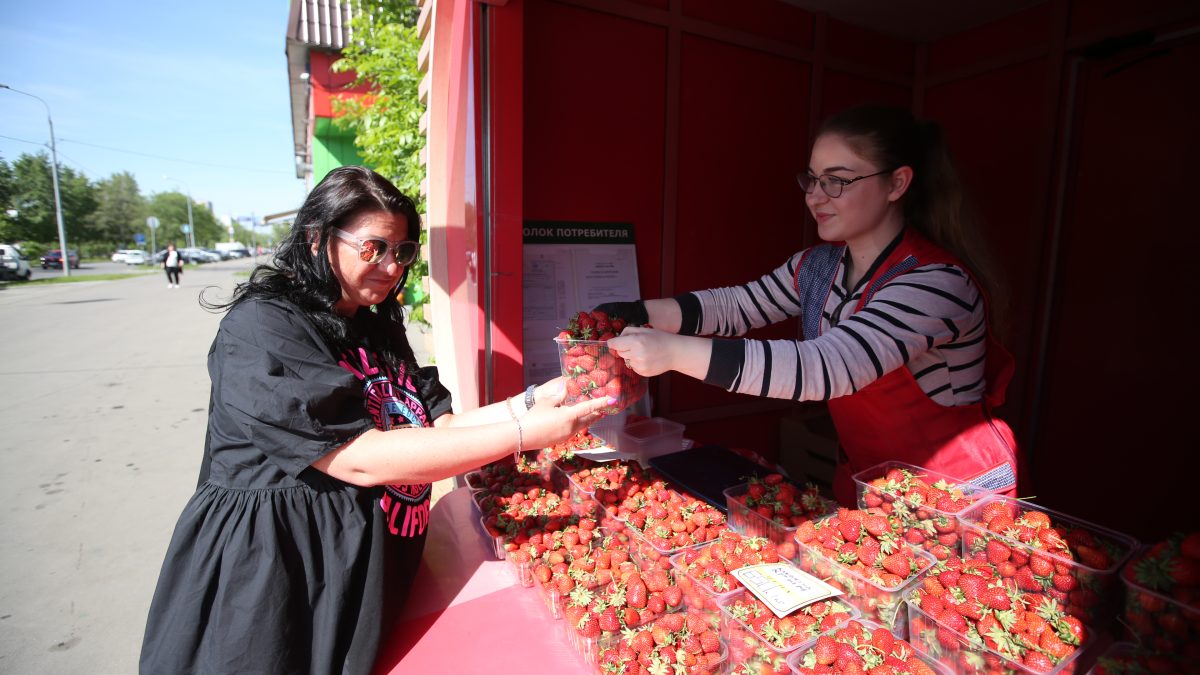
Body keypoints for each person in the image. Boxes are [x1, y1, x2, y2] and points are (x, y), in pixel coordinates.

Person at [140, 166, 611, 674]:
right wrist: (525, 435)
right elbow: (359, 459)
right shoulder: (264, 327)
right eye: (374, 248)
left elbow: (440, 428)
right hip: (279, 580)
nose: (390, 266)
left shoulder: (375, 326)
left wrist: (541, 399)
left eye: (403, 251)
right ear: (318, 239)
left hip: (360, 575)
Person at [599, 104, 1022, 506]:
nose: (815, 197)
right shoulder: (819, 266)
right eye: (813, 179)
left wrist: (672, 352)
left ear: (897, 183)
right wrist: (637, 313)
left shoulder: (936, 283)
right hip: (876, 482)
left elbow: (826, 367)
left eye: (837, 181)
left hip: (956, 497)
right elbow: (737, 306)